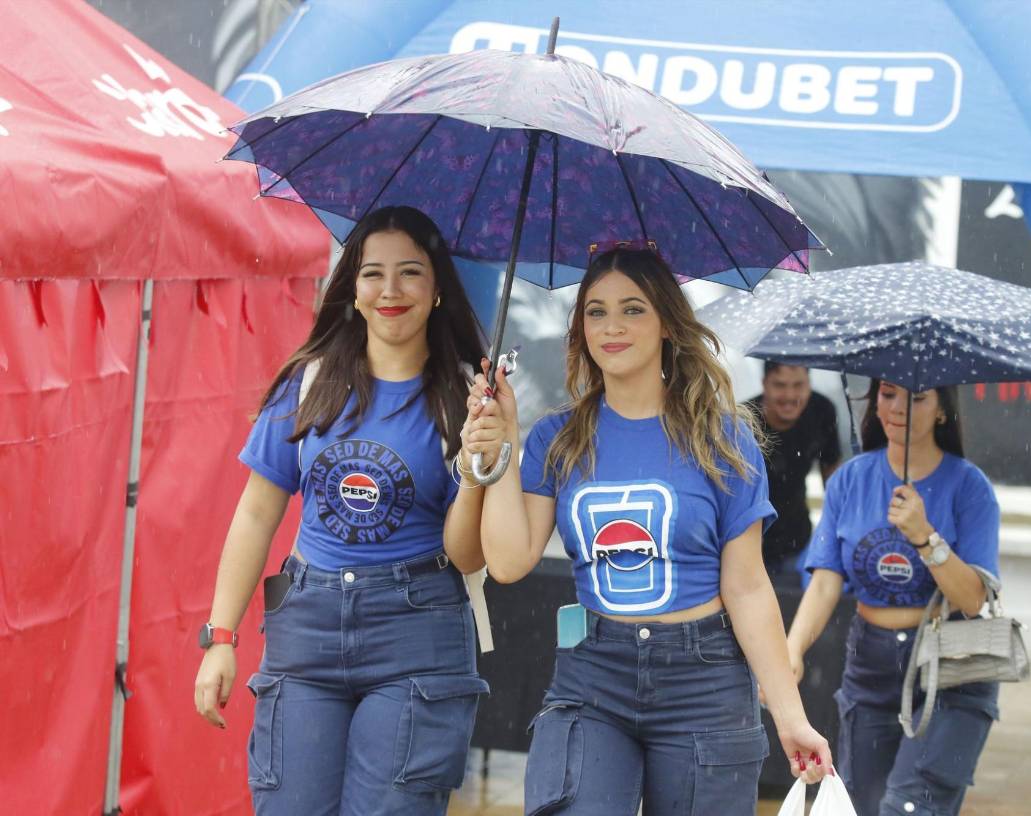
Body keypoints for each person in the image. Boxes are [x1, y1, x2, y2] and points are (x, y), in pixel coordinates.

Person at [472, 246, 832, 815]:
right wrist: (499, 448)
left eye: (633, 309)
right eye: (595, 311)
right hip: (594, 672)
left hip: (705, 679)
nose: (611, 326)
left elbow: (747, 586)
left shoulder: (722, 439)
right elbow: (509, 561)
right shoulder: (555, 439)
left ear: (667, 322)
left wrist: (791, 717)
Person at [192, 206, 498, 816]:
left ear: (437, 289)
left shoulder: (468, 401)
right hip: (306, 630)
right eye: (372, 273)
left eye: (410, 273)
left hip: (418, 634)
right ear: (351, 289)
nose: (390, 291)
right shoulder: (308, 385)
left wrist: (477, 464)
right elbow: (256, 515)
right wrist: (219, 638)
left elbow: (469, 554)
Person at [786, 379, 1001, 816]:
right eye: (888, 394)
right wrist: (792, 650)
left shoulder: (969, 486)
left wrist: (925, 536)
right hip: (870, 660)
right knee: (861, 805)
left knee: (909, 807)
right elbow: (826, 579)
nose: (898, 407)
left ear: (942, 409)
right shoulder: (850, 479)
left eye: (917, 397)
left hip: (950, 666)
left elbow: (974, 599)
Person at [744, 362, 841, 579]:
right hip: (749, 545)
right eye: (780, 385)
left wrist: (840, 530)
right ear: (764, 385)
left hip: (800, 538)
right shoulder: (743, 421)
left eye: (798, 385)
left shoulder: (822, 411)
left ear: (809, 384)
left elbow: (832, 473)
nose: (789, 395)